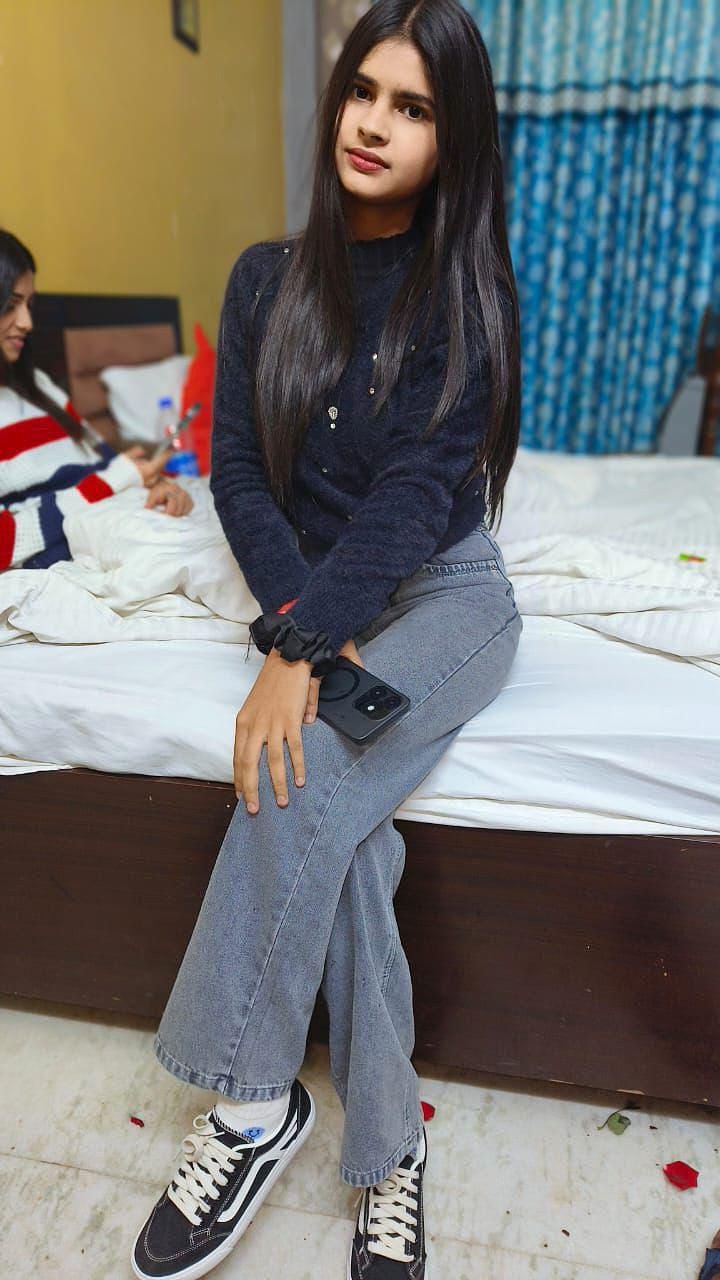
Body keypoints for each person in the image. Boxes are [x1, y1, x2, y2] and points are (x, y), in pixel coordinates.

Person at [132, 2, 522, 1277]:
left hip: (445, 594)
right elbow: (241, 474)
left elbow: (413, 498)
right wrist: (300, 626)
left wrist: (294, 650)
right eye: (365, 91)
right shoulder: (265, 279)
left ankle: (245, 1110)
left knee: (297, 774)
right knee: (334, 813)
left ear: (453, 138)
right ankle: (371, 1141)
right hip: (323, 591)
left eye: (415, 108)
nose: (376, 124)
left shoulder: (465, 290)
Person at [0, 229, 192, 572]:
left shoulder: (37, 384)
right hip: (77, 541)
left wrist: (156, 482)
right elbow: (7, 542)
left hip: (117, 513)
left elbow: (109, 461)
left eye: (29, 305)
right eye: (11, 305)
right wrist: (117, 480)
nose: (27, 322)